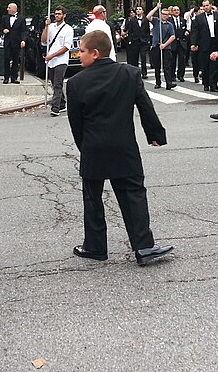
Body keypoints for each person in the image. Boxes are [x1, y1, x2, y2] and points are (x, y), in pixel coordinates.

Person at [66, 30, 173, 265]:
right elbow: (145, 107)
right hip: (124, 145)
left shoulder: (75, 83)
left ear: (94, 53)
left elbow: (76, 123)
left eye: (81, 50)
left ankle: (95, 247)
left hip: (93, 146)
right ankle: (144, 246)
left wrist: (84, 146)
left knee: (92, 198)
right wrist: (155, 134)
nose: (78, 54)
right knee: (134, 194)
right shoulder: (129, 73)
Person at [41, 6, 74, 116]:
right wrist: (46, 27)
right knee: (54, 83)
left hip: (61, 60)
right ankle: (62, 103)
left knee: (58, 84)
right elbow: (43, 40)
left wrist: (52, 55)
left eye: (59, 14)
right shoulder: (51, 27)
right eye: (56, 14)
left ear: (64, 15)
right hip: (51, 61)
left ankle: (55, 107)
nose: (57, 16)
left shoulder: (68, 29)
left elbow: (66, 47)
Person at [190, 0, 218, 92]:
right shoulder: (198, 18)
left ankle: (213, 85)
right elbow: (195, 32)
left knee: (215, 66)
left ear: (211, 5)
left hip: (215, 43)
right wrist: (194, 44)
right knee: (205, 65)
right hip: (203, 44)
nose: (206, 7)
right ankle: (206, 84)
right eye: (204, 6)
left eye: (207, 5)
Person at [146, 2, 176, 89]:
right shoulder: (156, 21)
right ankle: (158, 82)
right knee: (157, 66)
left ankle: (168, 83)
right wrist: (156, 7)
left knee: (167, 66)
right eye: (163, 14)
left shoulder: (169, 25)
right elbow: (148, 16)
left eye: (166, 14)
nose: (164, 16)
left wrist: (165, 45)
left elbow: (173, 36)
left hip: (166, 47)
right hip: (156, 46)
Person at [1, 3, 26, 84]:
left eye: (9, 8)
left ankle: (14, 77)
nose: (7, 9)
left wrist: (23, 40)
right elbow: (1, 27)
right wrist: (3, 30)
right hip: (7, 42)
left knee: (15, 60)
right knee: (6, 59)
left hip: (16, 41)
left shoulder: (21, 19)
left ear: (14, 9)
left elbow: (23, 30)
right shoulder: (4, 18)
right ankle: (6, 77)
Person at [169, 5, 189, 81]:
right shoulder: (169, 20)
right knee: (172, 60)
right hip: (172, 42)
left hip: (181, 42)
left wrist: (186, 32)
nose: (176, 11)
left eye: (178, 10)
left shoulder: (183, 20)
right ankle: (172, 75)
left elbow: (186, 29)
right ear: (172, 11)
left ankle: (180, 75)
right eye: (175, 10)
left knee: (182, 60)